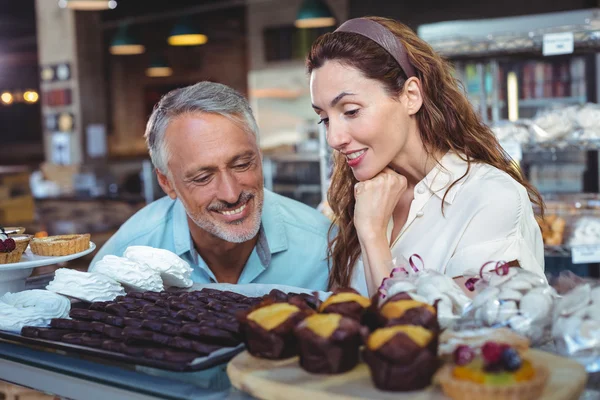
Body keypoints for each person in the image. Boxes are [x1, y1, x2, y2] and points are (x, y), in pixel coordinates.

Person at [307, 17, 545, 296]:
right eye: (324, 119)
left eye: (351, 111)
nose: (334, 139)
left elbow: (438, 335)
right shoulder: (358, 196)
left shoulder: (490, 197)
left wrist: (372, 233)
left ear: (410, 95)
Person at [91, 82, 330, 291]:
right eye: (203, 177)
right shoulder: (123, 257)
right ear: (166, 182)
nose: (231, 193)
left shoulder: (325, 248)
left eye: (242, 164)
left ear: (259, 155)